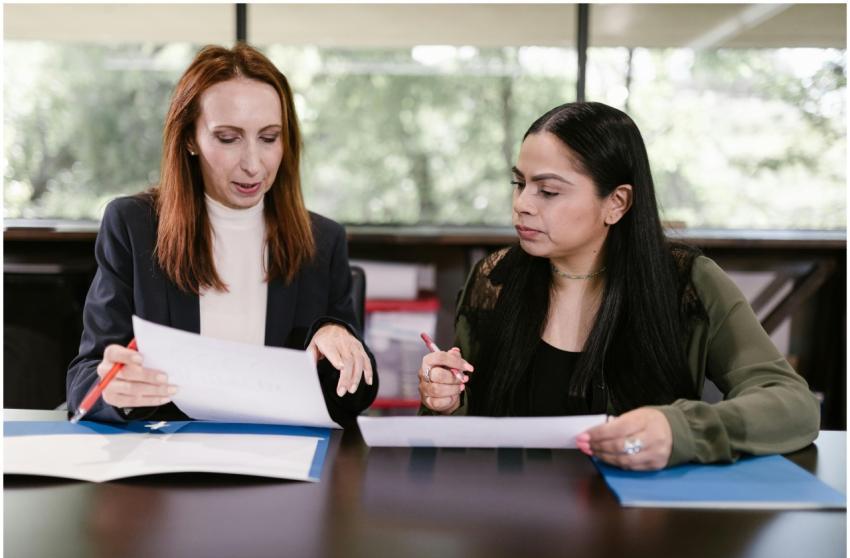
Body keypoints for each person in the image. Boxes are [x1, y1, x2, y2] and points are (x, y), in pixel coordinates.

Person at [418, 102, 819, 470]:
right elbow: (469, 433)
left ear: (618, 203)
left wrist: (678, 430)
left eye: (549, 191)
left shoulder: (688, 282)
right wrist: (446, 401)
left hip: (641, 525)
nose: (523, 203)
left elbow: (793, 405)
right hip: (514, 523)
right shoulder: (494, 279)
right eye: (518, 184)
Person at [66, 43, 378, 427]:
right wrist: (112, 389)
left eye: (269, 138)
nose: (252, 164)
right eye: (229, 138)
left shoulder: (322, 241)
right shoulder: (134, 226)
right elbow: (84, 379)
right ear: (190, 139)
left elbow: (355, 398)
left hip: (279, 462)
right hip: (165, 462)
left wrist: (340, 342)